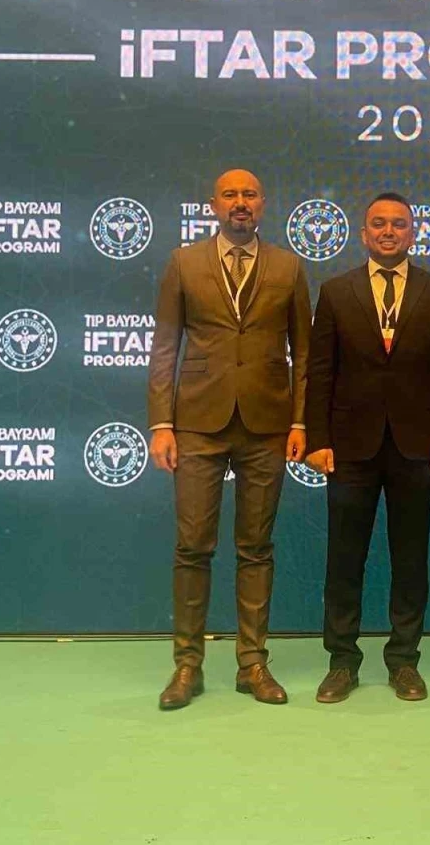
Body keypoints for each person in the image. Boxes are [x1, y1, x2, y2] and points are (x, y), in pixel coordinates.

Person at [147, 169, 310, 710]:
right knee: (193, 546)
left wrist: (300, 422)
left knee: (256, 547)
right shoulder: (183, 262)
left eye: (250, 195)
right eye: (231, 195)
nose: (241, 202)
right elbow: (165, 345)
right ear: (213, 204)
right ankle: (187, 666)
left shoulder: (289, 266)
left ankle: (253, 664)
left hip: (267, 424)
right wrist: (161, 423)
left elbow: (305, 353)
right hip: (197, 422)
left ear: (263, 204)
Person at [304, 192, 430, 703]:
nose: (389, 231)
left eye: (398, 224)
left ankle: (404, 662)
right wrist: (318, 439)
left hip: (416, 446)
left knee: (410, 559)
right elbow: (320, 371)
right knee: (344, 559)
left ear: (413, 233)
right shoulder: (336, 291)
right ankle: (341, 662)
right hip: (349, 448)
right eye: (379, 224)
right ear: (364, 234)